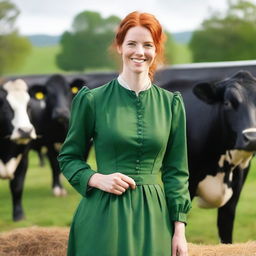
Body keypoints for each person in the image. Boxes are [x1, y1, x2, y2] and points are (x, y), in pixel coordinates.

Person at [58, 11, 191, 256]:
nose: (139, 52)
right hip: (102, 216)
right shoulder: (92, 100)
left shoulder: (171, 104)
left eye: (148, 45)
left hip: (155, 218)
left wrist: (179, 230)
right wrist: (97, 179)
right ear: (119, 46)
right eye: (132, 43)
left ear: (156, 50)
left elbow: (176, 171)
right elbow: (68, 158)